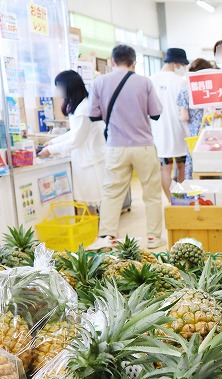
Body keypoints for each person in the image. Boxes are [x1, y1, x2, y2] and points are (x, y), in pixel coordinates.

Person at [87, 44, 164, 251]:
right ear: (134, 63)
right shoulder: (144, 82)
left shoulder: (99, 82)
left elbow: (93, 115)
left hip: (115, 146)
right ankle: (153, 238)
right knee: (152, 194)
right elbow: (156, 113)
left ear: (112, 61)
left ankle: (106, 236)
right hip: (143, 146)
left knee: (112, 192)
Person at [39, 70, 105, 214]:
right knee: (90, 207)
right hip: (86, 160)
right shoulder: (78, 106)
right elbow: (74, 132)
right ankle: (96, 234)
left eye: (59, 87)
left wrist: (51, 150)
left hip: (91, 162)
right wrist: (53, 142)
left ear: (69, 87)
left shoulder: (83, 108)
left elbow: (76, 140)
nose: (58, 91)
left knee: (96, 205)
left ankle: (105, 235)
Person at [151, 48, 190, 198]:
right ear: (175, 62)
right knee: (182, 166)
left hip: (158, 130)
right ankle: (180, 199)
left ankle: (170, 201)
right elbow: (184, 108)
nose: (181, 67)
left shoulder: (151, 79)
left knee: (165, 168)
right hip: (179, 129)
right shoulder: (180, 81)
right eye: (181, 63)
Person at [177, 58, 214, 180]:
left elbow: (184, 116)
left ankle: (197, 197)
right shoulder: (212, 90)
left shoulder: (185, 90)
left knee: (196, 170)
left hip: (196, 135)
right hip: (213, 133)